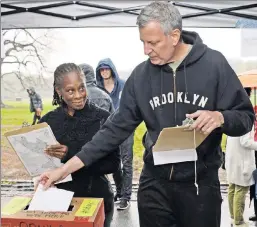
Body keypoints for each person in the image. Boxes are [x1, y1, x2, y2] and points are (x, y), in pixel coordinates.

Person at [38, 2, 255, 227]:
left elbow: (245, 118)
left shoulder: (214, 65)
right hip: (154, 186)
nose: (146, 50)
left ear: (174, 36)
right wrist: (63, 169)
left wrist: (220, 118)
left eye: (153, 42)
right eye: (143, 42)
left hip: (200, 187)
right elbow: (112, 131)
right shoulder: (141, 76)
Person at [39, 63, 120, 227]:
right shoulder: (47, 122)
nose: (78, 95)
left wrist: (70, 154)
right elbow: (39, 165)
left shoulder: (103, 118)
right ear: (58, 91)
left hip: (96, 201)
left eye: (81, 88)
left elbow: (113, 164)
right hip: (58, 204)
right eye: (70, 90)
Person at [96, 58, 134, 210]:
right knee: (114, 162)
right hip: (109, 130)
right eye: (101, 69)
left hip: (125, 128)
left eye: (106, 68)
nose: (104, 71)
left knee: (127, 162)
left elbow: (132, 104)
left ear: (112, 69)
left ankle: (126, 197)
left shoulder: (123, 85)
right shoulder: (99, 89)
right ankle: (119, 192)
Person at [225, 87, 257, 227]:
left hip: (233, 157)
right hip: (242, 159)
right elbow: (245, 141)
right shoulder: (245, 116)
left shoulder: (231, 112)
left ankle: (233, 217)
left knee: (232, 188)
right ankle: (239, 221)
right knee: (240, 190)